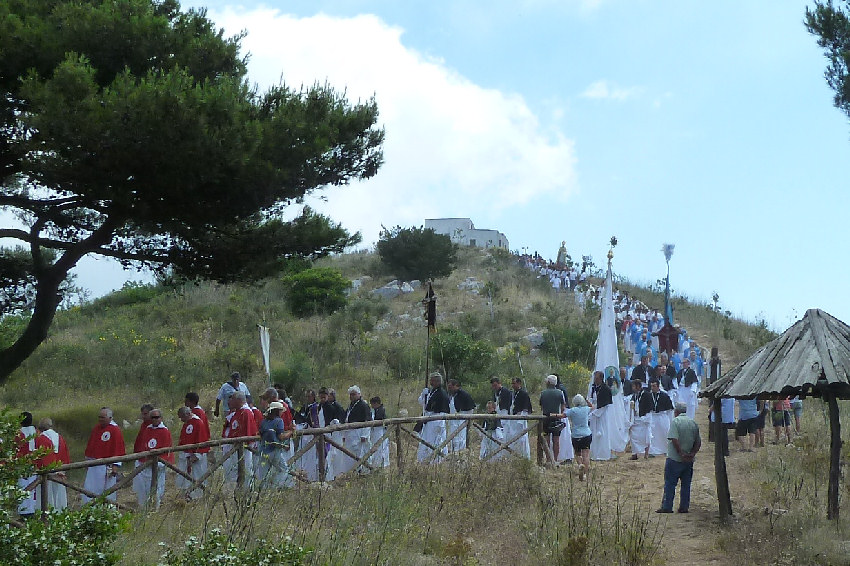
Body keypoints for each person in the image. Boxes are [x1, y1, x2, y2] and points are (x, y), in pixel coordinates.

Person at [657, 402, 701, 514]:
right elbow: (698, 442)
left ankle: (667, 506)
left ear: (676, 412)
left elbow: (674, 439)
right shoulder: (693, 422)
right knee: (686, 485)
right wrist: (692, 454)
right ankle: (684, 507)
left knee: (670, 483)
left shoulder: (675, 422)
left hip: (674, 459)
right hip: (689, 460)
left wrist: (680, 453)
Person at [82, 407, 126, 503]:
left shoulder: (115, 430)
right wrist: (87, 460)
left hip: (106, 467)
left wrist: (115, 465)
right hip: (93, 465)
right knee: (90, 489)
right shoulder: (96, 428)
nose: (100, 420)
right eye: (99, 417)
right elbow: (91, 445)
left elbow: (118, 448)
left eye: (103, 417)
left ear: (110, 418)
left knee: (106, 491)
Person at [133, 408, 173, 508]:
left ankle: (155, 507)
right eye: (152, 417)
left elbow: (166, 448)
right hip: (147, 463)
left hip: (158, 463)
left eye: (156, 417)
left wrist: (158, 460)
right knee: (144, 487)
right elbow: (144, 444)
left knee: (157, 486)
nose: (154, 419)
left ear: (161, 418)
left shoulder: (165, 431)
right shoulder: (148, 429)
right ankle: (144, 506)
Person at [221, 392, 259, 484]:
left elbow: (249, 433)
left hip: (242, 450)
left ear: (238, 400)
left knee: (245, 471)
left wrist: (243, 445)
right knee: (233, 472)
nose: (229, 401)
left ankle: (245, 492)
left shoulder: (246, 413)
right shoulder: (237, 412)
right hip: (234, 449)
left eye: (232, 399)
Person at [256, 401, 294, 488]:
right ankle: (274, 486)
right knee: (283, 470)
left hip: (263, 450)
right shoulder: (279, 421)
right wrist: (291, 432)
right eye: (280, 410)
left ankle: (262, 492)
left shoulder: (264, 422)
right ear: (277, 411)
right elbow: (281, 436)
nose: (281, 412)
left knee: (263, 474)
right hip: (274, 450)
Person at [176, 406, 210, 500]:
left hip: (196, 457)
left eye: (182, 417)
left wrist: (197, 455)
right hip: (187, 456)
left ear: (187, 414)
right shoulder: (187, 423)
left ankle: (197, 497)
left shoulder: (198, 422)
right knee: (186, 479)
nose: (181, 420)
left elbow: (202, 439)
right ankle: (187, 497)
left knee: (197, 476)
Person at [37, 418, 71, 511]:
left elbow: (44, 457)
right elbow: (65, 454)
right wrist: (62, 470)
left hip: (47, 474)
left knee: (47, 498)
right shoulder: (59, 437)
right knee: (59, 497)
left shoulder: (41, 438)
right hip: (60, 472)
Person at [417, 372, 450, 463]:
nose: (431, 383)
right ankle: (426, 459)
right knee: (427, 439)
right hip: (430, 419)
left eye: (433, 381)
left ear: (437, 382)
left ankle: (437, 459)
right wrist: (424, 395)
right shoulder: (432, 391)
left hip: (436, 419)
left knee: (436, 440)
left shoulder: (441, 393)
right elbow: (424, 404)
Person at [339, 385, 371, 475]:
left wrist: (364, 435)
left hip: (359, 432)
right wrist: (344, 434)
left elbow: (368, 420)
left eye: (353, 394)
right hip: (350, 432)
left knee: (359, 452)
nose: (351, 396)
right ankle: (351, 471)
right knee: (349, 453)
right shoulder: (351, 406)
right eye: (350, 395)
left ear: (359, 394)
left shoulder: (364, 405)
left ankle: (360, 470)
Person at [295, 389, 324, 481]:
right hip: (304, 433)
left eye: (309, 396)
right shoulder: (305, 407)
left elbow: (315, 420)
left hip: (312, 434)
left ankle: (312, 476)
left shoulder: (316, 407)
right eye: (306, 396)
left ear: (313, 397)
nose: (307, 398)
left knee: (311, 456)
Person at [539, 375, 567, 462]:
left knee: (546, 439)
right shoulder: (560, 392)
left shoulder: (543, 393)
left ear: (548, 382)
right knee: (556, 440)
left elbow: (541, 405)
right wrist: (560, 413)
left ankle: (548, 459)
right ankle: (555, 459)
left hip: (546, 417)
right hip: (556, 417)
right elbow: (563, 405)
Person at [565, 394, 593, 481]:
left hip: (576, 435)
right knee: (586, 454)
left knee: (577, 453)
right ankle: (584, 473)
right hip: (586, 434)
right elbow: (593, 407)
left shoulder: (572, 411)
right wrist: (588, 401)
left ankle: (580, 464)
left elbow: (563, 414)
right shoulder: (586, 409)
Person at [16, 412, 38, 517]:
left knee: (23, 488)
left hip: (23, 465)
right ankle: (32, 510)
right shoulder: (36, 432)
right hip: (34, 464)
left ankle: (24, 512)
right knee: (33, 489)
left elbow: (16, 451)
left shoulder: (19, 434)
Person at [588, 371, 613, 461]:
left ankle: (602, 454)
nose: (595, 380)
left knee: (602, 434)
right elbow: (591, 399)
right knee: (593, 433)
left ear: (601, 379)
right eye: (595, 378)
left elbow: (605, 405)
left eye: (597, 378)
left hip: (601, 414)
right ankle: (593, 454)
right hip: (593, 412)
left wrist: (596, 412)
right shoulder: (593, 387)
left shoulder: (605, 389)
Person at [446, 379, 475, 452]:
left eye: (451, 387)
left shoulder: (464, 395)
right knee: (453, 438)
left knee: (461, 439)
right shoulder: (451, 395)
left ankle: (460, 454)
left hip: (461, 420)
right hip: (453, 421)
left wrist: (466, 419)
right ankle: (453, 453)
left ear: (456, 386)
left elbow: (470, 409)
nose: (449, 389)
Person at [648, 379, 675, 456]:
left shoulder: (664, 395)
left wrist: (670, 420)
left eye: (654, 386)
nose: (652, 388)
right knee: (652, 434)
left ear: (658, 386)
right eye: (651, 386)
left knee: (664, 433)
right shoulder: (649, 395)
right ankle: (652, 451)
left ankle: (666, 450)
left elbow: (670, 409)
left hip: (662, 416)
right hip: (652, 416)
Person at [508, 377, 533, 459]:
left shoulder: (524, 394)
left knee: (522, 438)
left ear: (519, 383)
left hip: (520, 418)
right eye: (512, 383)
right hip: (513, 417)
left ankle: (524, 456)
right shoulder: (513, 393)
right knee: (512, 437)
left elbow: (526, 407)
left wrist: (522, 417)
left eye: (514, 383)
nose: (512, 385)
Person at [629, 380, 653, 460]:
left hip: (644, 417)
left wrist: (646, 417)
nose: (632, 388)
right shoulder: (634, 395)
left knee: (646, 436)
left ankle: (646, 453)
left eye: (633, 386)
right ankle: (635, 453)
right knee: (633, 434)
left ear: (638, 386)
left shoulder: (647, 394)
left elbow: (650, 407)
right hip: (636, 418)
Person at [369, 396, 390, 468]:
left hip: (380, 431)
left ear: (376, 403)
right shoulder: (375, 410)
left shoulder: (381, 410)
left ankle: (380, 463)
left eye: (372, 404)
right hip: (376, 431)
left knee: (381, 448)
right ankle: (376, 463)